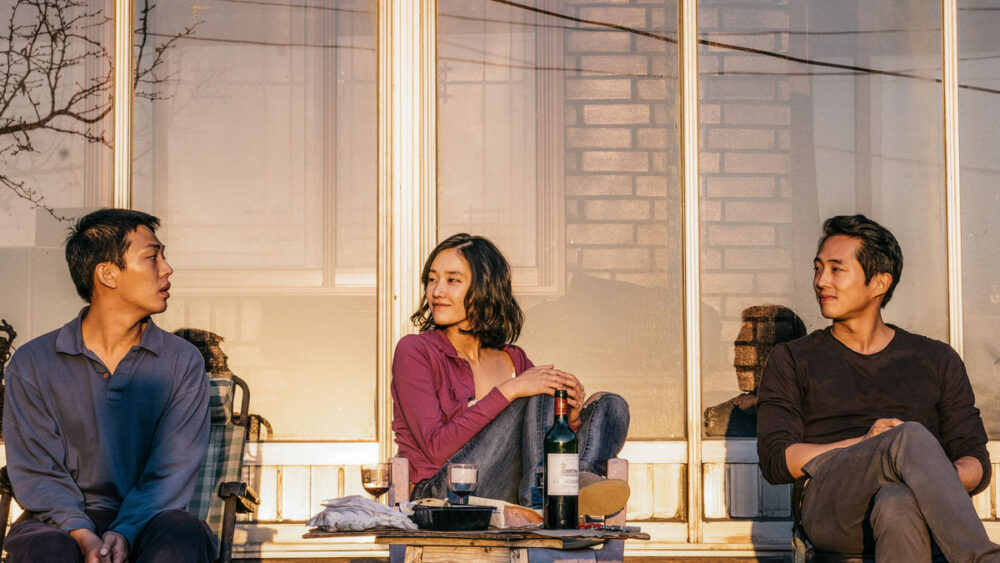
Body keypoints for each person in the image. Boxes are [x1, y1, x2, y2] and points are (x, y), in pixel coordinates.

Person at [757, 214, 999, 561]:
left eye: (836, 269)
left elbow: (976, 462)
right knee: (908, 437)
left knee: (896, 501)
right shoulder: (793, 359)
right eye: (818, 268)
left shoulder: (936, 359)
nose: (821, 281)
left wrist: (921, 473)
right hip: (830, 509)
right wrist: (875, 446)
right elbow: (776, 460)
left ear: (879, 283)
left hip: (912, 509)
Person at [3, 209, 218, 563]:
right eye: (152, 257)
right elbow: (37, 470)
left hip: (152, 518)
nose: (167, 268)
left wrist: (125, 531)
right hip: (59, 521)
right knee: (45, 548)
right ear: (107, 274)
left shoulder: (182, 362)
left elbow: (171, 468)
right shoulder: (33, 363)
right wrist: (82, 532)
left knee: (183, 534)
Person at [391, 233, 630, 514]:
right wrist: (512, 389)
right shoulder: (415, 351)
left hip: (507, 494)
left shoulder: (513, 358)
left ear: (485, 288)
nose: (436, 291)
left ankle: (574, 482)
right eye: (432, 279)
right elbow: (436, 447)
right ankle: (550, 499)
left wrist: (570, 419)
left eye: (452, 280)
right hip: (445, 495)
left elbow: (539, 439)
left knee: (610, 406)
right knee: (537, 389)